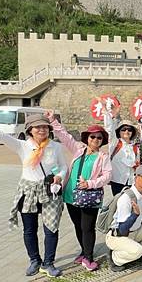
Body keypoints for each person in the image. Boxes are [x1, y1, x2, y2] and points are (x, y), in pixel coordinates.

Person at [0, 114, 67, 277]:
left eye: (45, 127)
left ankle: (48, 263)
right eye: (38, 127)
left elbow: (63, 166)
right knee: (29, 229)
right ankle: (34, 260)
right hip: (28, 190)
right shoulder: (22, 146)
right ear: (30, 130)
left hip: (50, 190)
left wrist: (60, 176)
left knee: (51, 228)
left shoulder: (55, 147)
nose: (42, 130)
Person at [48, 112, 111, 271]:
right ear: (87, 138)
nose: (95, 140)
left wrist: (90, 183)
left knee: (87, 227)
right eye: (92, 137)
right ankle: (84, 251)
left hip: (89, 196)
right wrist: (52, 120)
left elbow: (108, 176)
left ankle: (89, 258)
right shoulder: (78, 149)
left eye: (99, 138)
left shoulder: (103, 156)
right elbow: (65, 136)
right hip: (70, 195)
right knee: (78, 225)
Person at [104, 105, 139, 196]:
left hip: (131, 181)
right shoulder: (115, 143)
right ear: (119, 131)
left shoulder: (135, 147)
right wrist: (110, 114)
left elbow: (137, 164)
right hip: (117, 180)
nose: (126, 132)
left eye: (129, 129)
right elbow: (109, 129)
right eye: (123, 129)